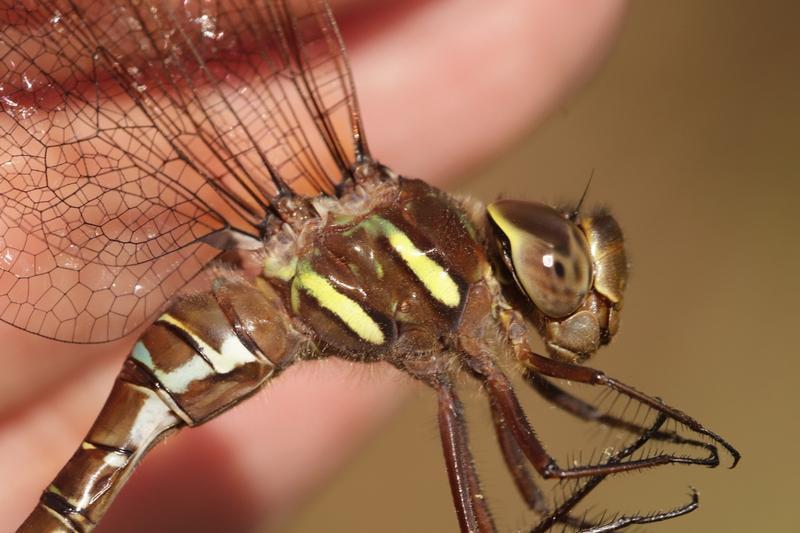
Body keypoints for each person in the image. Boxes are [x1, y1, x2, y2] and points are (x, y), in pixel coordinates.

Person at [0, 1, 627, 531]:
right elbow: (545, 459)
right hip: (239, 321)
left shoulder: (465, 318)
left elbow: (546, 433)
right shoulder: (457, 293)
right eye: (566, 272)